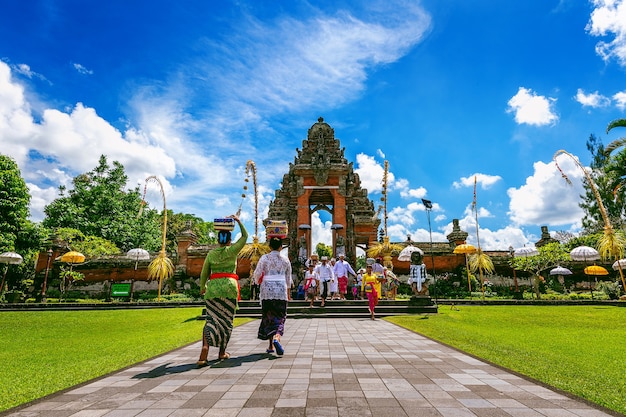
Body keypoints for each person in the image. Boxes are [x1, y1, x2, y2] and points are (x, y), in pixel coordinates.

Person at [197, 215, 248, 366]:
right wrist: (238, 221)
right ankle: (221, 352)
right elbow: (245, 236)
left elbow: (204, 273)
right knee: (226, 321)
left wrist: (202, 287)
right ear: (229, 240)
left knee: (211, 319)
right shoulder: (232, 251)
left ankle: (205, 349)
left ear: (218, 240)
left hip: (213, 289)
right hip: (229, 288)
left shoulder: (211, 254)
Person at [253, 232, 292, 356]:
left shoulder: (264, 258)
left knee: (268, 316)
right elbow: (288, 279)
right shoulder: (286, 260)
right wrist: (288, 294)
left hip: (267, 291)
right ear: (281, 247)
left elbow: (257, 273)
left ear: (270, 247)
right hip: (281, 290)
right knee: (280, 317)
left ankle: (270, 345)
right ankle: (276, 338)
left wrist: (258, 281)